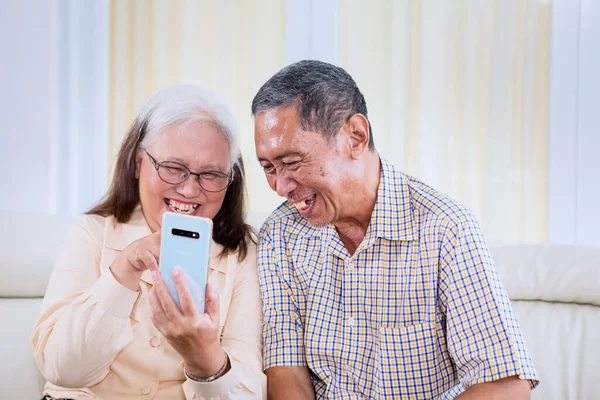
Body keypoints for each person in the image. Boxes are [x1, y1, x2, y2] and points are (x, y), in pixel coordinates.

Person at [252, 60, 539, 399]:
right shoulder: (279, 235)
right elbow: (286, 368)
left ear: (355, 136)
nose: (281, 186)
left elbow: (505, 384)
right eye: (268, 168)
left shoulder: (446, 228)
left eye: (291, 162)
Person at [31, 85, 266, 399]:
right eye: (173, 168)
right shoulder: (93, 232)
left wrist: (204, 358)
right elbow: (63, 371)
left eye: (211, 174)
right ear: (139, 162)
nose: (189, 190)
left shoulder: (242, 256)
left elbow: (247, 394)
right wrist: (123, 273)